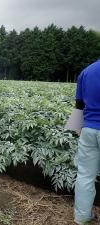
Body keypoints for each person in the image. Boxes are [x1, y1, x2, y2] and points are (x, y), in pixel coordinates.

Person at [74, 58, 100, 225]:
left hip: (88, 129)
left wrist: (78, 130)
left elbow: (78, 105)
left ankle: (82, 217)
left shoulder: (87, 71)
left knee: (84, 175)